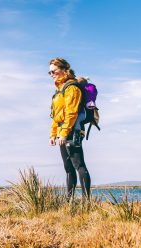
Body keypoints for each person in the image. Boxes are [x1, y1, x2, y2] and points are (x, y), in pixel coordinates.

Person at [48, 58, 91, 199]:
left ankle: (87, 202)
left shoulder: (71, 87)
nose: (51, 74)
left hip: (72, 130)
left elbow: (71, 113)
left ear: (63, 70)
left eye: (53, 71)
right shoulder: (59, 90)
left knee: (79, 165)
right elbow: (56, 115)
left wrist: (64, 134)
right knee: (68, 168)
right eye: (49, 72)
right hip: (62, 132)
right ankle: (69, 202)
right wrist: (53, 134)